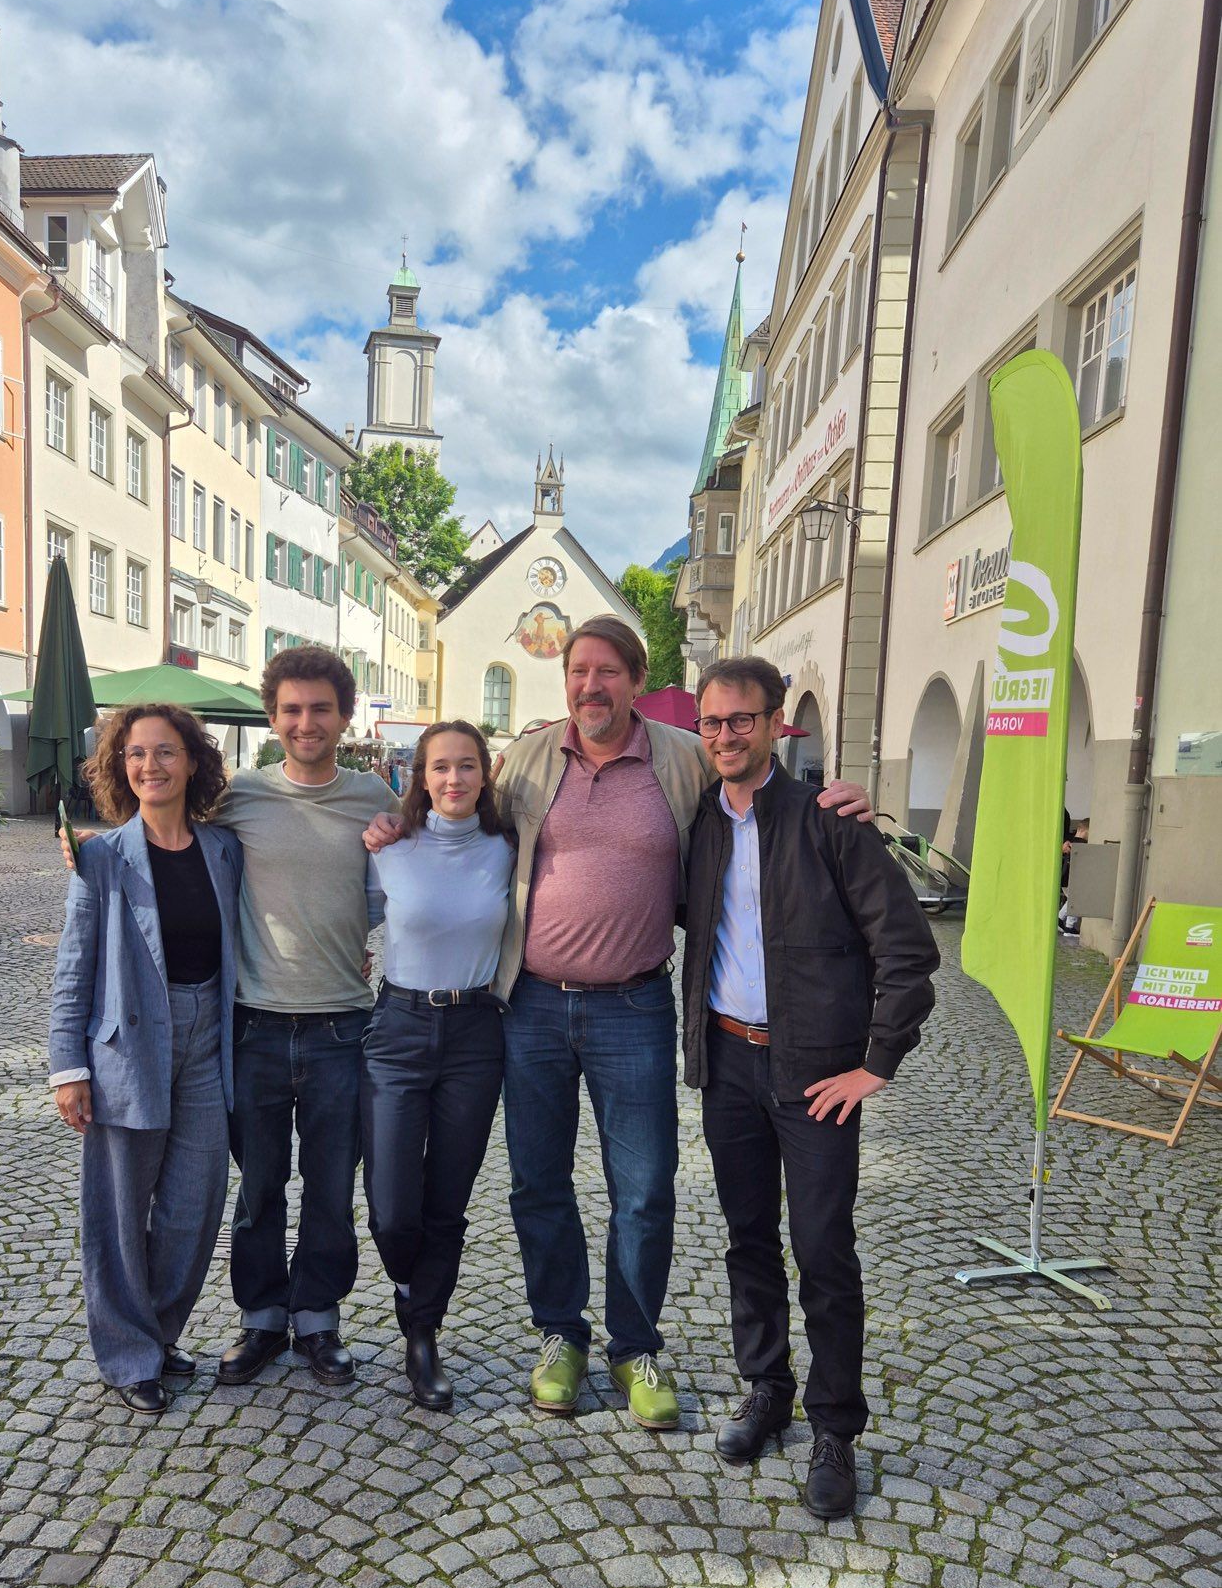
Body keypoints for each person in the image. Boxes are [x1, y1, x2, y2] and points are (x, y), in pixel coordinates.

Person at [367, 615, 872, 1431]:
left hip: (634, 1007)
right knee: (538, 1182)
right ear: (563, 681)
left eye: (608, 672)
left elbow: (757, 792)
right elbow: (453, 811)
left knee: (642, 1191)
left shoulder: (679, 757)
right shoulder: (528, 760)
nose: (591, 686)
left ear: (636, 681)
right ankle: (559, 1334)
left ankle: (636, 1345)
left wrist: (835, 799)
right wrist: (398, 824)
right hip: (530, 1005)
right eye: (579, 672)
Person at [64, 646, 396, 1387]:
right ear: (273, 717)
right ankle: (260, 1320)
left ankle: (318, 1320)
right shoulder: (240, 797)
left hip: (344, 1023)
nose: (305, 722)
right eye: (291, 709)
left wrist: (363, 934)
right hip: (251, 1025)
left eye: (320, 709)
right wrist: (94, 849)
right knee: (257, 1190)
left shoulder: (374, 797)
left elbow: (397, 881)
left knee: (332, 1188)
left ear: (343, 716)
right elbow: (158, 829)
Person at [680, 657, 939, 1519]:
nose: (724, 736)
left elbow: (910, 953)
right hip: (728, 1064)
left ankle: (835, 1427)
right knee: (748, 1238)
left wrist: (876, 1063)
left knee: (824, 1251)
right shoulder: (701, 825)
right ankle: (766, 1389)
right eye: (711, 723)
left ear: (775, 722)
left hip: (816, 1074)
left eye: (740, 721)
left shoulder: (830, 823)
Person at [48, 704, 243, 1417]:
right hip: (128, 1044)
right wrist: (67, 1066)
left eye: (165, 752)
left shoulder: (224, 849)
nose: (149, 766)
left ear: (193, 762)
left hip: (207, 1039)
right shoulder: (100, 856)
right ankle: (128, 1355)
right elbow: (73, 966)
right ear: (118, 765)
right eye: (135, 753)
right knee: (121, 1210)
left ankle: (157, 1335)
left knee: (195, 1205)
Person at [362, 722, 514, 1409]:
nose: (454, 780)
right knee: (393, 1208)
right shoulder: (390, 847)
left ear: (486, 774)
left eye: (467, 766)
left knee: (447, 1202)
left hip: (477, 1033)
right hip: (397, 1025)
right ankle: (405, 1285)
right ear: (420, 776)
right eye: (440, 768)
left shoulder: (510, 848)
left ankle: (423, 1337)